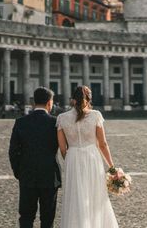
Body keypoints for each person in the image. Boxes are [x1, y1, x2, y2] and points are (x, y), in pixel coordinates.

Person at [57, 86, 118, 228]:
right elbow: (102, 144)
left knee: (75, 196)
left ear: (73, 99)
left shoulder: (62, 118)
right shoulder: (96, 115)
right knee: (95, 195)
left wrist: (70, 158)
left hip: (72, 157)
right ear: (89, 99)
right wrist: (112, 167)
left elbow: (62, 147)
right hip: (92, 157)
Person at [9, 87, 61, 228]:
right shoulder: (55, 123)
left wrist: (19, 172)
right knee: (47, 219)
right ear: (50, 103)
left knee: (26, 217)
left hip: (27, 175)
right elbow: (63, 148)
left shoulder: (21, 122)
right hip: (49, 176)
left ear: (33, 102)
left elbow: (13, 152)